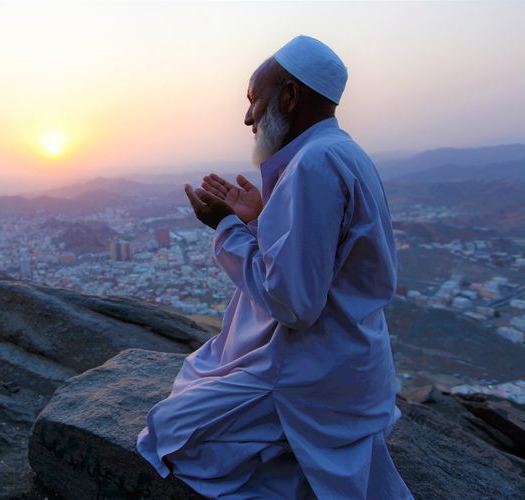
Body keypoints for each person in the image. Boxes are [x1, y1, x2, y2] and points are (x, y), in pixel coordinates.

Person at [136, 35, 412, 499]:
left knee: (169, 432)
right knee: (197, 379)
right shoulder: (340, 152)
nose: (248, 117)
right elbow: (323, 261)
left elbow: (294, 304)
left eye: (253, 99)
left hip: (311, 369)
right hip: (348, 363)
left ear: (290, 95)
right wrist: (263, 219)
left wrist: (225, 227)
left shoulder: (314, 166)